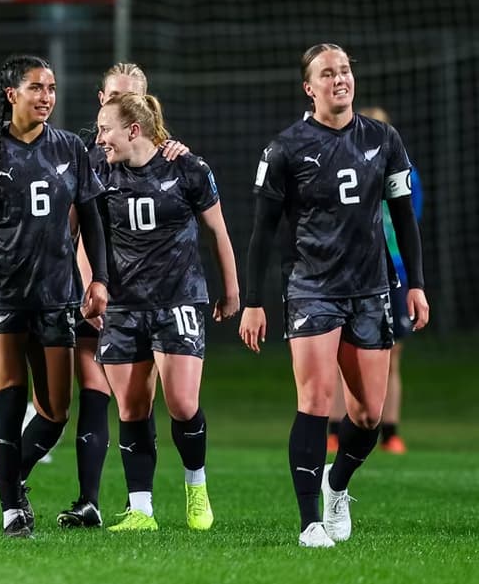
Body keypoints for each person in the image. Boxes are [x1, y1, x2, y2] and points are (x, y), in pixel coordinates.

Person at [239, 43, 429, 547]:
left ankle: (336, 484)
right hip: (311, 289)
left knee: (367, 415)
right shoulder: (285, 148)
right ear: (310, 87)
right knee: (317, 400)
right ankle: (310, 524)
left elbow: (405, 218)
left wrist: (416, 284)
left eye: (344, 71)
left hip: (370, 289)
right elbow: (262, 230)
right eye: (328, 73)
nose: (340, 79)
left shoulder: (384, 139)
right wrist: (253, 300)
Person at [0, 54, 109, 537]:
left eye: (52, 88)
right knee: (10, 399)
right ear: (11, 94)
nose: (47, 97)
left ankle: (8, 473)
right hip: (1, 295)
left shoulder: (70, 149)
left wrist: (99, 279)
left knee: (56, 410)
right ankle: (12, 508)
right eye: (36, 88)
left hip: (58, 296)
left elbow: (93, 219)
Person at [93, 92, 238, 532]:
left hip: (178, 299)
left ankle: (197, 490)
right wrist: (92, 287)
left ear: (133, 130)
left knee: (181, 403)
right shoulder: (100, 172)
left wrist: (233, 290)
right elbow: (84, 234)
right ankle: (141, 510)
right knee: (133, 409)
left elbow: (217, 230)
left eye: (105, 129)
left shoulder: (188, 169)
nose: (99, 138)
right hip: (123, 305)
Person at [57, 62, 188, 528]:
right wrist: (93, 283)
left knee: (139, 400)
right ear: (101, 98)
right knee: (86, 395)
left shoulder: (170, 157)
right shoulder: (84, 152)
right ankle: (84, 497)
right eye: (114, 94)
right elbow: (78, 229)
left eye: (132, 97)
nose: (121, 102)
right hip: (95, 289)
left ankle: (136, 502)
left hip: (144, 296)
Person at [327, 105, 424, 455]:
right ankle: (337, 428)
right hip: (347, 272)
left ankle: (390, 431)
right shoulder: (340, 169)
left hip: (391, 269)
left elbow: (408, 219)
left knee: (392, 354)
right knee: (341, 351)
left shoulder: (401, 172)